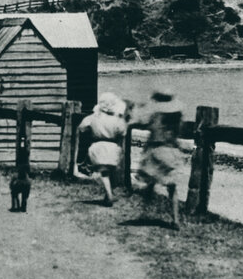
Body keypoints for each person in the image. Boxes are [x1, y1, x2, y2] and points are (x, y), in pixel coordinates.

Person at [132, 90, 187, 230]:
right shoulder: (177, 119)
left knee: (150, 180)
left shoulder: (156, 117)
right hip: (173, 152)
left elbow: (144, 124)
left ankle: (145, 209)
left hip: (157, 150)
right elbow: (179, 135)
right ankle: (175, 219)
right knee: (172, 188)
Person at [75, 92, 128, 206]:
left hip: (98, 146)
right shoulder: (117, 118)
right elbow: (123, 132)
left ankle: (108, 195)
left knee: (104, 172)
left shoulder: (93, 117)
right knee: (111, 172)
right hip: (113, 147)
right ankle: (109, 194)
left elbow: (81, 128)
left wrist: (92, 130)